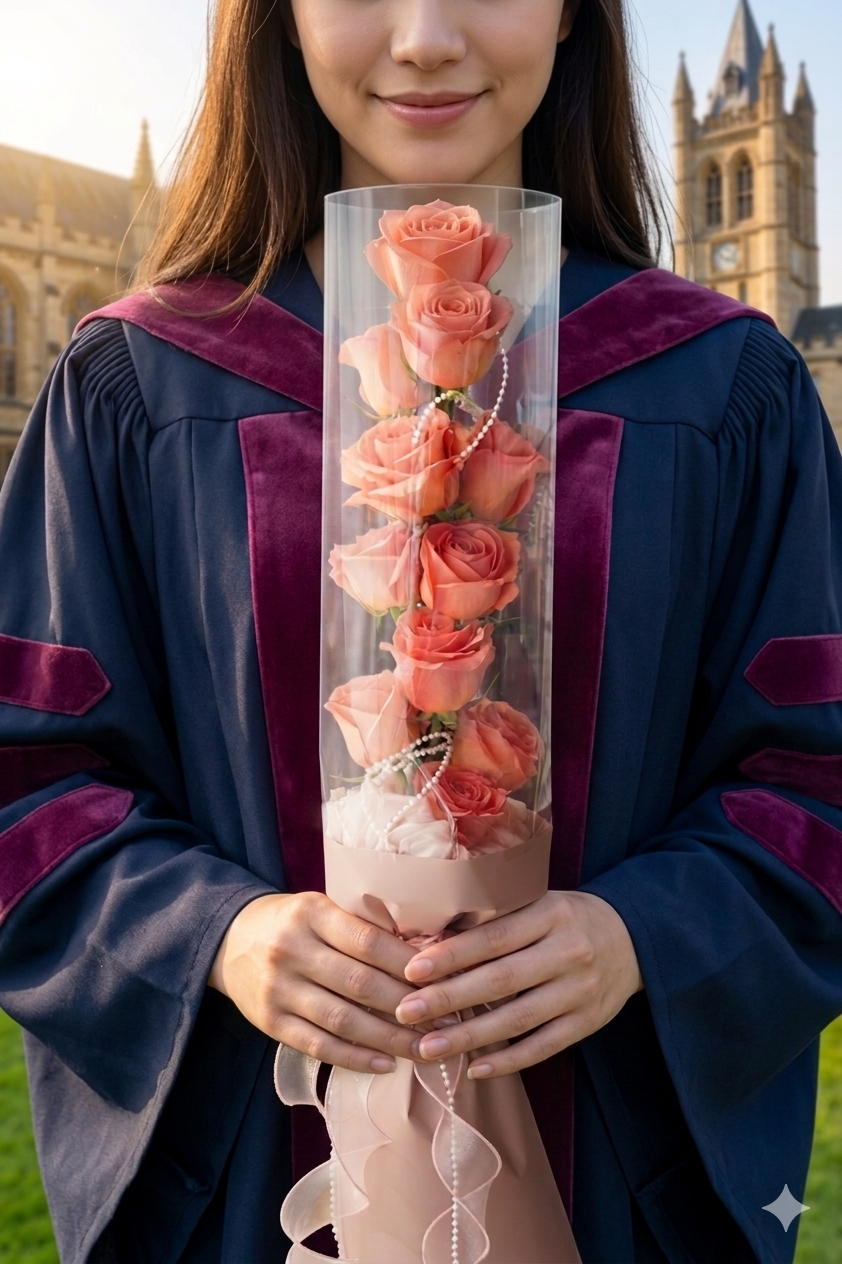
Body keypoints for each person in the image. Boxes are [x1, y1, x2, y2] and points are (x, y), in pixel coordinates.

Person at [0, 0, 840, 1261]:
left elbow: (812, 766)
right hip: (248, 1174)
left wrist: (640, 935)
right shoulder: (141, 384)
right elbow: (30, 772)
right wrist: (215, 935)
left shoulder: (722, 388)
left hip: (610, 1174)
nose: (425, 35)